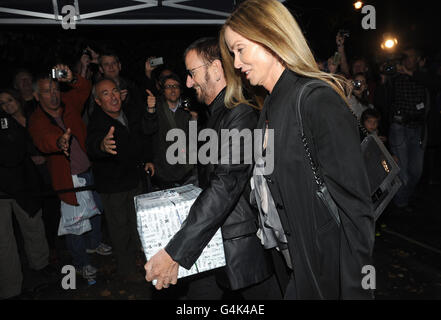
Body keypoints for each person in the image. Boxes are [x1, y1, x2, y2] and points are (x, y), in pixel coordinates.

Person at [219, 0, 375, 299]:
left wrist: (356, 290)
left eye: (240, 49)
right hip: (294, 265)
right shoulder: (270, 104)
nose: (236, 64)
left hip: (326, 272)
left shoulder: (315, 100)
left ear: (271, 37)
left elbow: (357, 211)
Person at [144, 37, 280, 300]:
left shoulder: (240, 114)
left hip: (242, 244)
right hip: (217, 239)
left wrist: (175, 252)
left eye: (192, 73)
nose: (188, 83)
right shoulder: (218, 113)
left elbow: (225, 184)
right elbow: (208, 174)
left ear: (216, 69)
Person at [28, 64, 111, 281]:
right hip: (67, 179)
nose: (53, 95)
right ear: (37, 96)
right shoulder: (37, 119)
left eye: (55, 89)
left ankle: (94, 245)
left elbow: (85, 89)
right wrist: (58, 141)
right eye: (47, 91)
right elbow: (42, 140)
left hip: (88, 170)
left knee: (97, 210)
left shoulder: (69, 105)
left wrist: (72, 77)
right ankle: (81, 263)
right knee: (74, 224)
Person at [86, 78, 155, 283]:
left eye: (114, 90)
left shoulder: (129, 113)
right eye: (105, 93)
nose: (113, 96)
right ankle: (127, 271)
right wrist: (102, 146)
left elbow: (143, 138)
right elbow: (92, 144)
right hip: (114, 187)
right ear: (98, 101)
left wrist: (147, 160)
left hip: (135, 181)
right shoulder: (97, 123)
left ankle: (144, 264)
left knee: (139, 227)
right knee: (120, 231)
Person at [0, 97, 55, 299]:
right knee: (3, 240)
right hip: (3, 188)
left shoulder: (15, 119)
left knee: (33, 224)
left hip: (22, 181)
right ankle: (10, 288)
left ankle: (41, 265)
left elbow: (19, 150)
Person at [143, 73, 198, 189]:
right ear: (163, 90)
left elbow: (194, 139)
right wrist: (150, 110)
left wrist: (194, 119)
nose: (172, 90)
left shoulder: (187, 109)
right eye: (168, 87)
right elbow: (147, 130)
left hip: (186, 170)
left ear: (181, 90)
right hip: (163, 171)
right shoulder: (156, 107)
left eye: (176, 86)